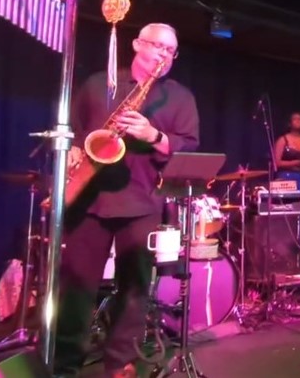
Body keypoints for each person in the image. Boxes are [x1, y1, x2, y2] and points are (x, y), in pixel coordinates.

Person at [54, 23, 200, 378]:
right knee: (75, 287)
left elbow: (189, 145)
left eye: (171, 51)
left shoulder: (179, 97)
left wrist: (153, 134)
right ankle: (63, 365)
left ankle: (120, 364)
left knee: (134, 290)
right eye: (158, 46)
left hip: (142, 201)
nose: (164, 55)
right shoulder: (97, 83)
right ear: (136, 44)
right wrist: (74, 151)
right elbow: (72, 129)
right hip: (89, 198)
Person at [273, 112, 300, 256]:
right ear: (289, 122)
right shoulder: (283, 140)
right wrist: (295, 162)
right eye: (295, 119)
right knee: (286, 211)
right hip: (285, 177)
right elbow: (277, 162)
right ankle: (282, 247)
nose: (298, 121)